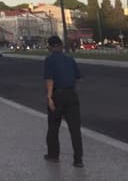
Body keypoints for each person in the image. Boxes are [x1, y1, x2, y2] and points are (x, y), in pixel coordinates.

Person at [43, 35, 83, 168]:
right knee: (75, 129)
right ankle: (78, 160)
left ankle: (53, 155)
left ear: (50, 46)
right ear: (60, 45)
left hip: (57, 95)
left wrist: (49, 97)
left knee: (54, 126)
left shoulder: (49, 60)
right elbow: (78, 78)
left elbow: (49, 79)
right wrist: (72, 91)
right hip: (71, 95)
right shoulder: (70, 59)